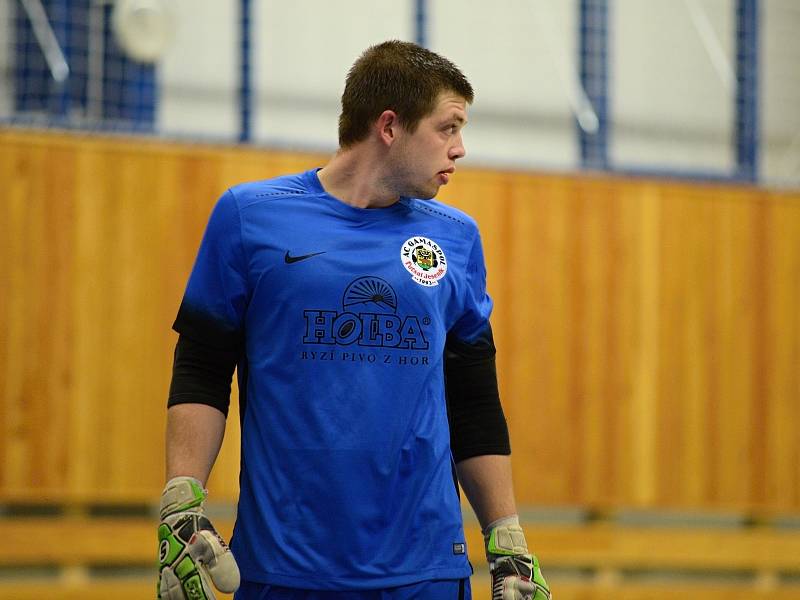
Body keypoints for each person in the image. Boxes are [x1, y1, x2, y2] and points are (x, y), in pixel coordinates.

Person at [156, 40, 551, 600]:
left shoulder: (457, 238)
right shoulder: (249, 217)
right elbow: (202, 365)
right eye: (448, 127)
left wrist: (507, 540)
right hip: (283, 569)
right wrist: (181, 498)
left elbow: (474, 399)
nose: (460, 148)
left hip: (428, 571)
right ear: (389, 126)